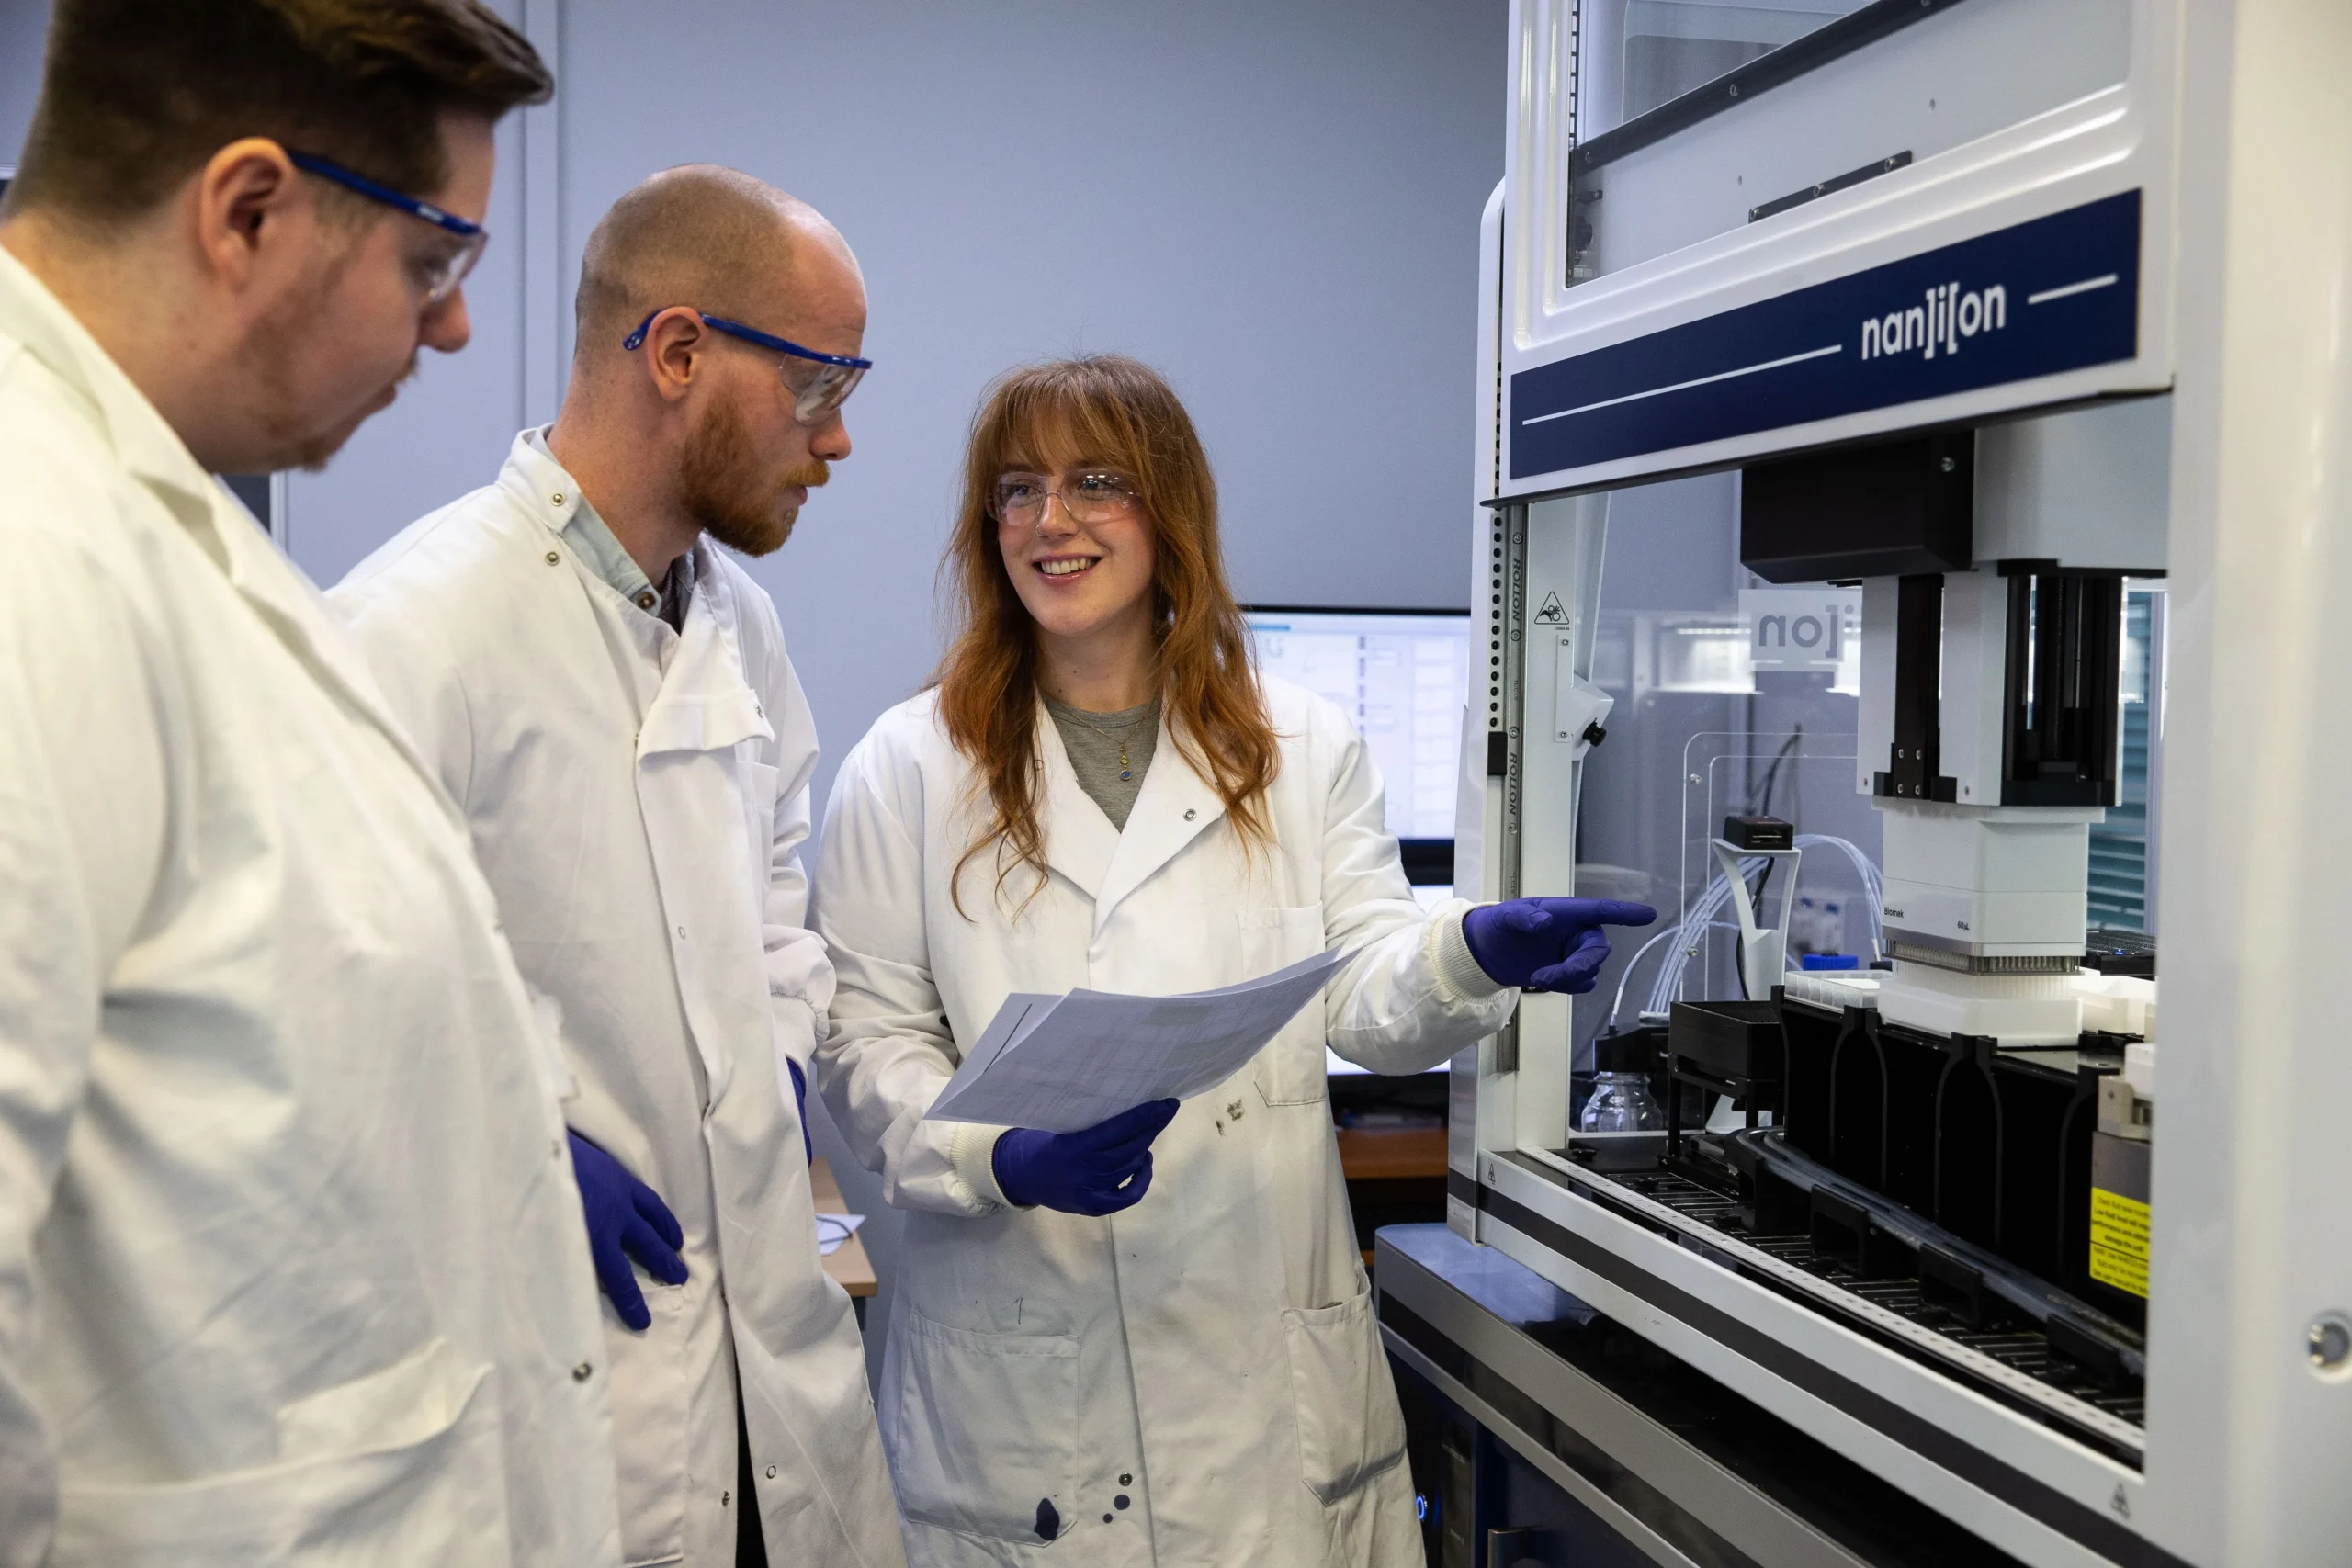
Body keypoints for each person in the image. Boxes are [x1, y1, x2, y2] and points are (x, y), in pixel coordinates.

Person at [810, 355, 1655, 1566]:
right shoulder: (910, 765)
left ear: (1170, 511)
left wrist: (1467, 952)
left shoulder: (1301, 744)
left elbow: (1365, 989)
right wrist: (999, 1155)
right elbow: (862, 1041)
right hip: (1024, 1401)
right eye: (1017, 489)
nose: (1050, 521)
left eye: (1096, 482)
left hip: (1259, 1398)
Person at [0, 3, 624, 1566]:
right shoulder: (34, 550)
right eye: (434, 264)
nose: (458, 329)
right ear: (250, 212)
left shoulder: (165, 523)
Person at [330, 167, 904, 1568]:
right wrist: (513, 1149)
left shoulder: (740, 622)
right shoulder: (410, 630)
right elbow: (332, 987)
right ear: (680, 352)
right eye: (819, 390)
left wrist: (767, 1057)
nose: (838, 443)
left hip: (772, 1355)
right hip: (565, 1374)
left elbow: (776, 879)